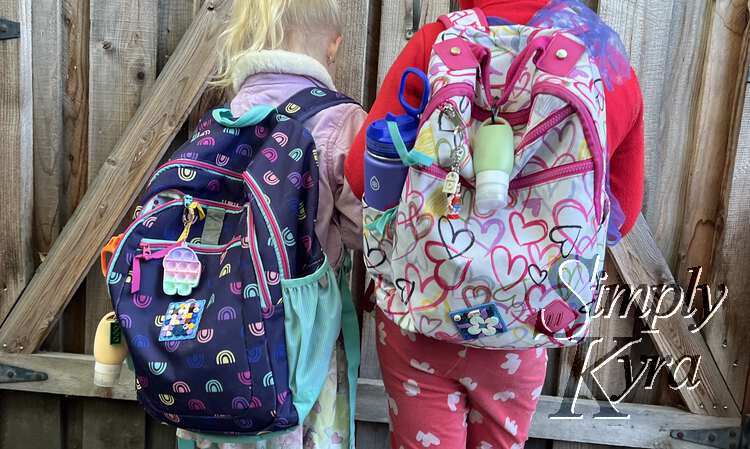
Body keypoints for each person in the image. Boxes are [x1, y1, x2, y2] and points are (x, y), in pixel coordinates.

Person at [345, 0, 645, 448]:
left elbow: (360, 175)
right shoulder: (600, 60)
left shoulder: (433, 43)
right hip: (522, 322)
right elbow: (620, 212)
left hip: (420, 311)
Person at [176, 1, 365, 448]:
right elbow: (365, 228)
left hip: (218, 322)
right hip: (303, 325)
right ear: (333, 46)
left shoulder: (224, 119)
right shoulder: (340, 120)